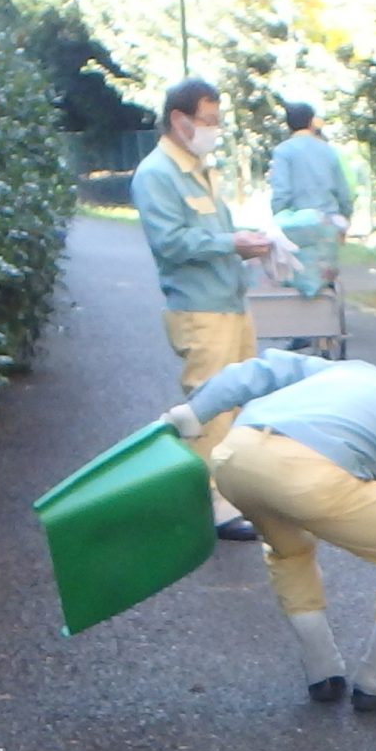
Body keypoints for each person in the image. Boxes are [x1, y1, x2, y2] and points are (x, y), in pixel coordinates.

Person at [167, 351, 376, 708]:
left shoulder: (348, 370)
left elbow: (263, 368)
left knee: (289, 551)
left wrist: (195, 411)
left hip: (235, 455)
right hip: (305, 472)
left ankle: (322, 670)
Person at [131, 77, 272, 541]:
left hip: (229, 302)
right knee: (209, 407)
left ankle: (232, 493)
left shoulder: (198, 167)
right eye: (208, 121)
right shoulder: (157, 174)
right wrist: (232, 243)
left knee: (237, 403)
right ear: (179, 119)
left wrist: (245, 243)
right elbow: (170, 243)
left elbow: (213, 235)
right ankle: (211, 506)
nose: (214, 129)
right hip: (199, 309)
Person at [268, 100, 354, 225]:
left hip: (296, 224)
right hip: (328, 224)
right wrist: (345, 218)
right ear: (311, 122)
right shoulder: (328, 150)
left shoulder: (282, 151)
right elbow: (343, 193)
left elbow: (281, 192)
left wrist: (279, 217)